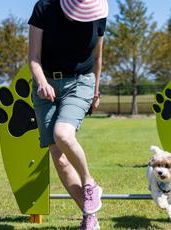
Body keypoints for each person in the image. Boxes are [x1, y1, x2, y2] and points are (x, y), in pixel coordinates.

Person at [28, 0, 108, 229]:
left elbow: (98, 57)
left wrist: (96, 91)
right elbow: (33, 56)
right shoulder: (44, 7)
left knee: (63, 134)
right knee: (59, 159)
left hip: (80, 82)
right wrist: (42, 82)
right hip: (46, 84)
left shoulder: (98, 15)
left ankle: (89, 183)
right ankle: (90, 216)